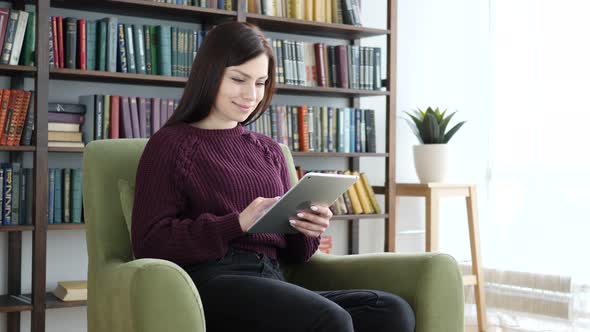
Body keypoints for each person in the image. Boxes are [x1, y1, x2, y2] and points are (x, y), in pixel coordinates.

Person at [131, 21, 415, 332]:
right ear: (209, 75)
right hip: (211, 282)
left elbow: (296, 256)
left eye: (260, 82)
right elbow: (150, 242)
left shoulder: (269, 151)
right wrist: (237, 223)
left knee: (391, 311)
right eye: (238, 79)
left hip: (271, 278)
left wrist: (309, 230)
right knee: (331, 320)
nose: (250, 94)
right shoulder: (171, 144)